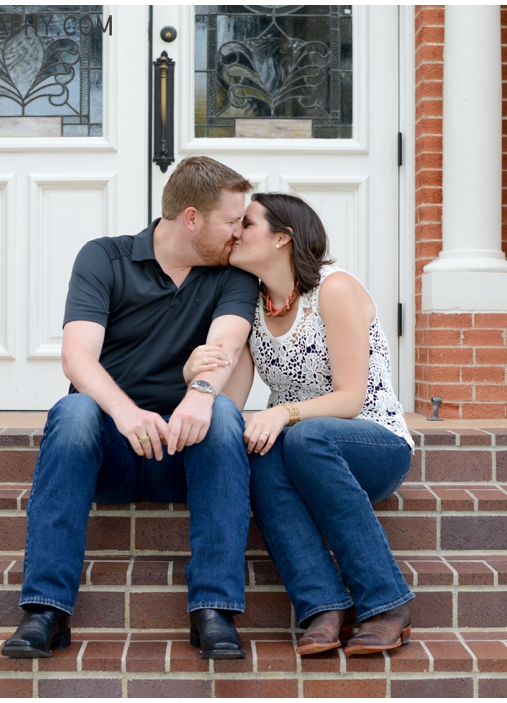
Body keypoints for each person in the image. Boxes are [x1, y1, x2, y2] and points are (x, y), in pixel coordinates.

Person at [3, 157, 259, 660]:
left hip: (187, 453)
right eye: (231, 221)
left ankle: (214, 609)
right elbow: (77, 356)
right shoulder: (105, 258)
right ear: (191, 218)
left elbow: (225, 345)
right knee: (73, 411)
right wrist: (124, 412)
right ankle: (46, 611)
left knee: (226, 414)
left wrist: (199, 397)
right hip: (113, 455)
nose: (239, 232)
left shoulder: (233, 274)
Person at [184, 192, 415, 656]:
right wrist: (195, 378)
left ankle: (386, 604)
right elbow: (230, 405)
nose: (235, 232)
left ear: (282, 239)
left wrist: (281, 413)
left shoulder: (334, 289)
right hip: (303, 448)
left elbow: (351, 399)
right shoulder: (254, 308)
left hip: (374, 443)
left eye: (247, 224)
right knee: (260, 452)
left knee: (301, 436)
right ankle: (322, 607)